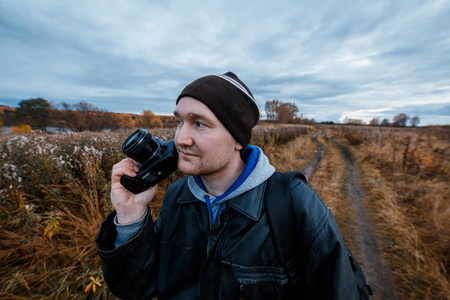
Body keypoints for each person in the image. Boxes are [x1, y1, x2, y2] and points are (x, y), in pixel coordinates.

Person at [95, 72, 362, 299]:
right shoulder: (178, 196)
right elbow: (136, 289)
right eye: (179, 122)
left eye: (199, 124)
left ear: (237, 139)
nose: (181, 138)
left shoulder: (294, 203)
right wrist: (130, 216)